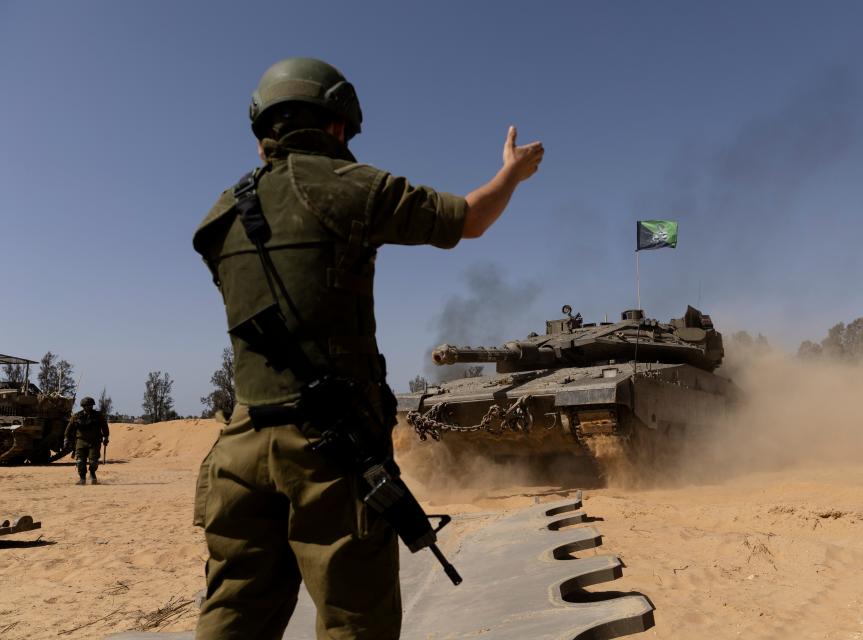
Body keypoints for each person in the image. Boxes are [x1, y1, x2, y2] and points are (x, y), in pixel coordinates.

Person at [192, 56, 544, 640]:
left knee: (233, 612)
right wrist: (510, 173)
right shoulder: (351, 187)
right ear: (336, 125)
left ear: (265, 130)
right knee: (357, 622)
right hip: (328, 456)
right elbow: (469, 219)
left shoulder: (219, 217)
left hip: (238, 449)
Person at [63, 396, 109, 485]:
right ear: (83, 406)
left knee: (94, 461)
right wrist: (66, 439)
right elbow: (68, 429)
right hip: (80, 442)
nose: (88, 407)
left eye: (90, 405)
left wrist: (106, 437)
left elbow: (104, 427)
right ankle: (82, 478)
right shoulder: (76, 416)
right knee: (80, 461)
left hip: (94, 442)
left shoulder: (98, 416)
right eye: (86, 405)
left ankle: (92, 474)